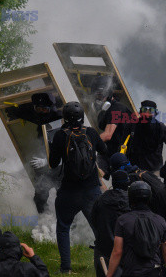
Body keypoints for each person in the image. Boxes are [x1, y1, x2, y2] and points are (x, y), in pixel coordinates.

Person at [48, 101, 107, 274]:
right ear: (82, 116)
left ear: (65, 118)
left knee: (63, 227)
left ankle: (65, 268)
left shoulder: (60, 135)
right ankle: (104, 265)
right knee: (100, 230)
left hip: (68, 191)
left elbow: (53, 164)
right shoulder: (90, 132)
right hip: (92, 191)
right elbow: (103, 150)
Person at [107, 181, 166, 277]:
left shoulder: (123, 220)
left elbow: (117, 252)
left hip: (131, 272)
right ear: (149, 198)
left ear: (130, 198)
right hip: (154, 271)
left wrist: (109, 275)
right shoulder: (160, 221)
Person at [90, 156, 131, 277]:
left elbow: (94, 220)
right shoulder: (132, 201)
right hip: (126, 250)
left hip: (103, 249)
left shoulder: (101, 199)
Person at [91, 75, 133, 176]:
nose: (98, 99)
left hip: (127, 153)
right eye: (96, 95)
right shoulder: (105, 111)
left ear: (108, 94)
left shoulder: (117, 109)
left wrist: (87, 141)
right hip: (113, 149)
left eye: (101, 96)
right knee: (96, 173)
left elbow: (107, 134)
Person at [126, 100, 166, 172]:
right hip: (133, 168)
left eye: (151, 111)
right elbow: (122, 142)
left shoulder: (161, 128)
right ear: (140, 112)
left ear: (155, 113)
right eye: (145, 110)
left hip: (154, 170)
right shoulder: (132, 125)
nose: (147, 114)